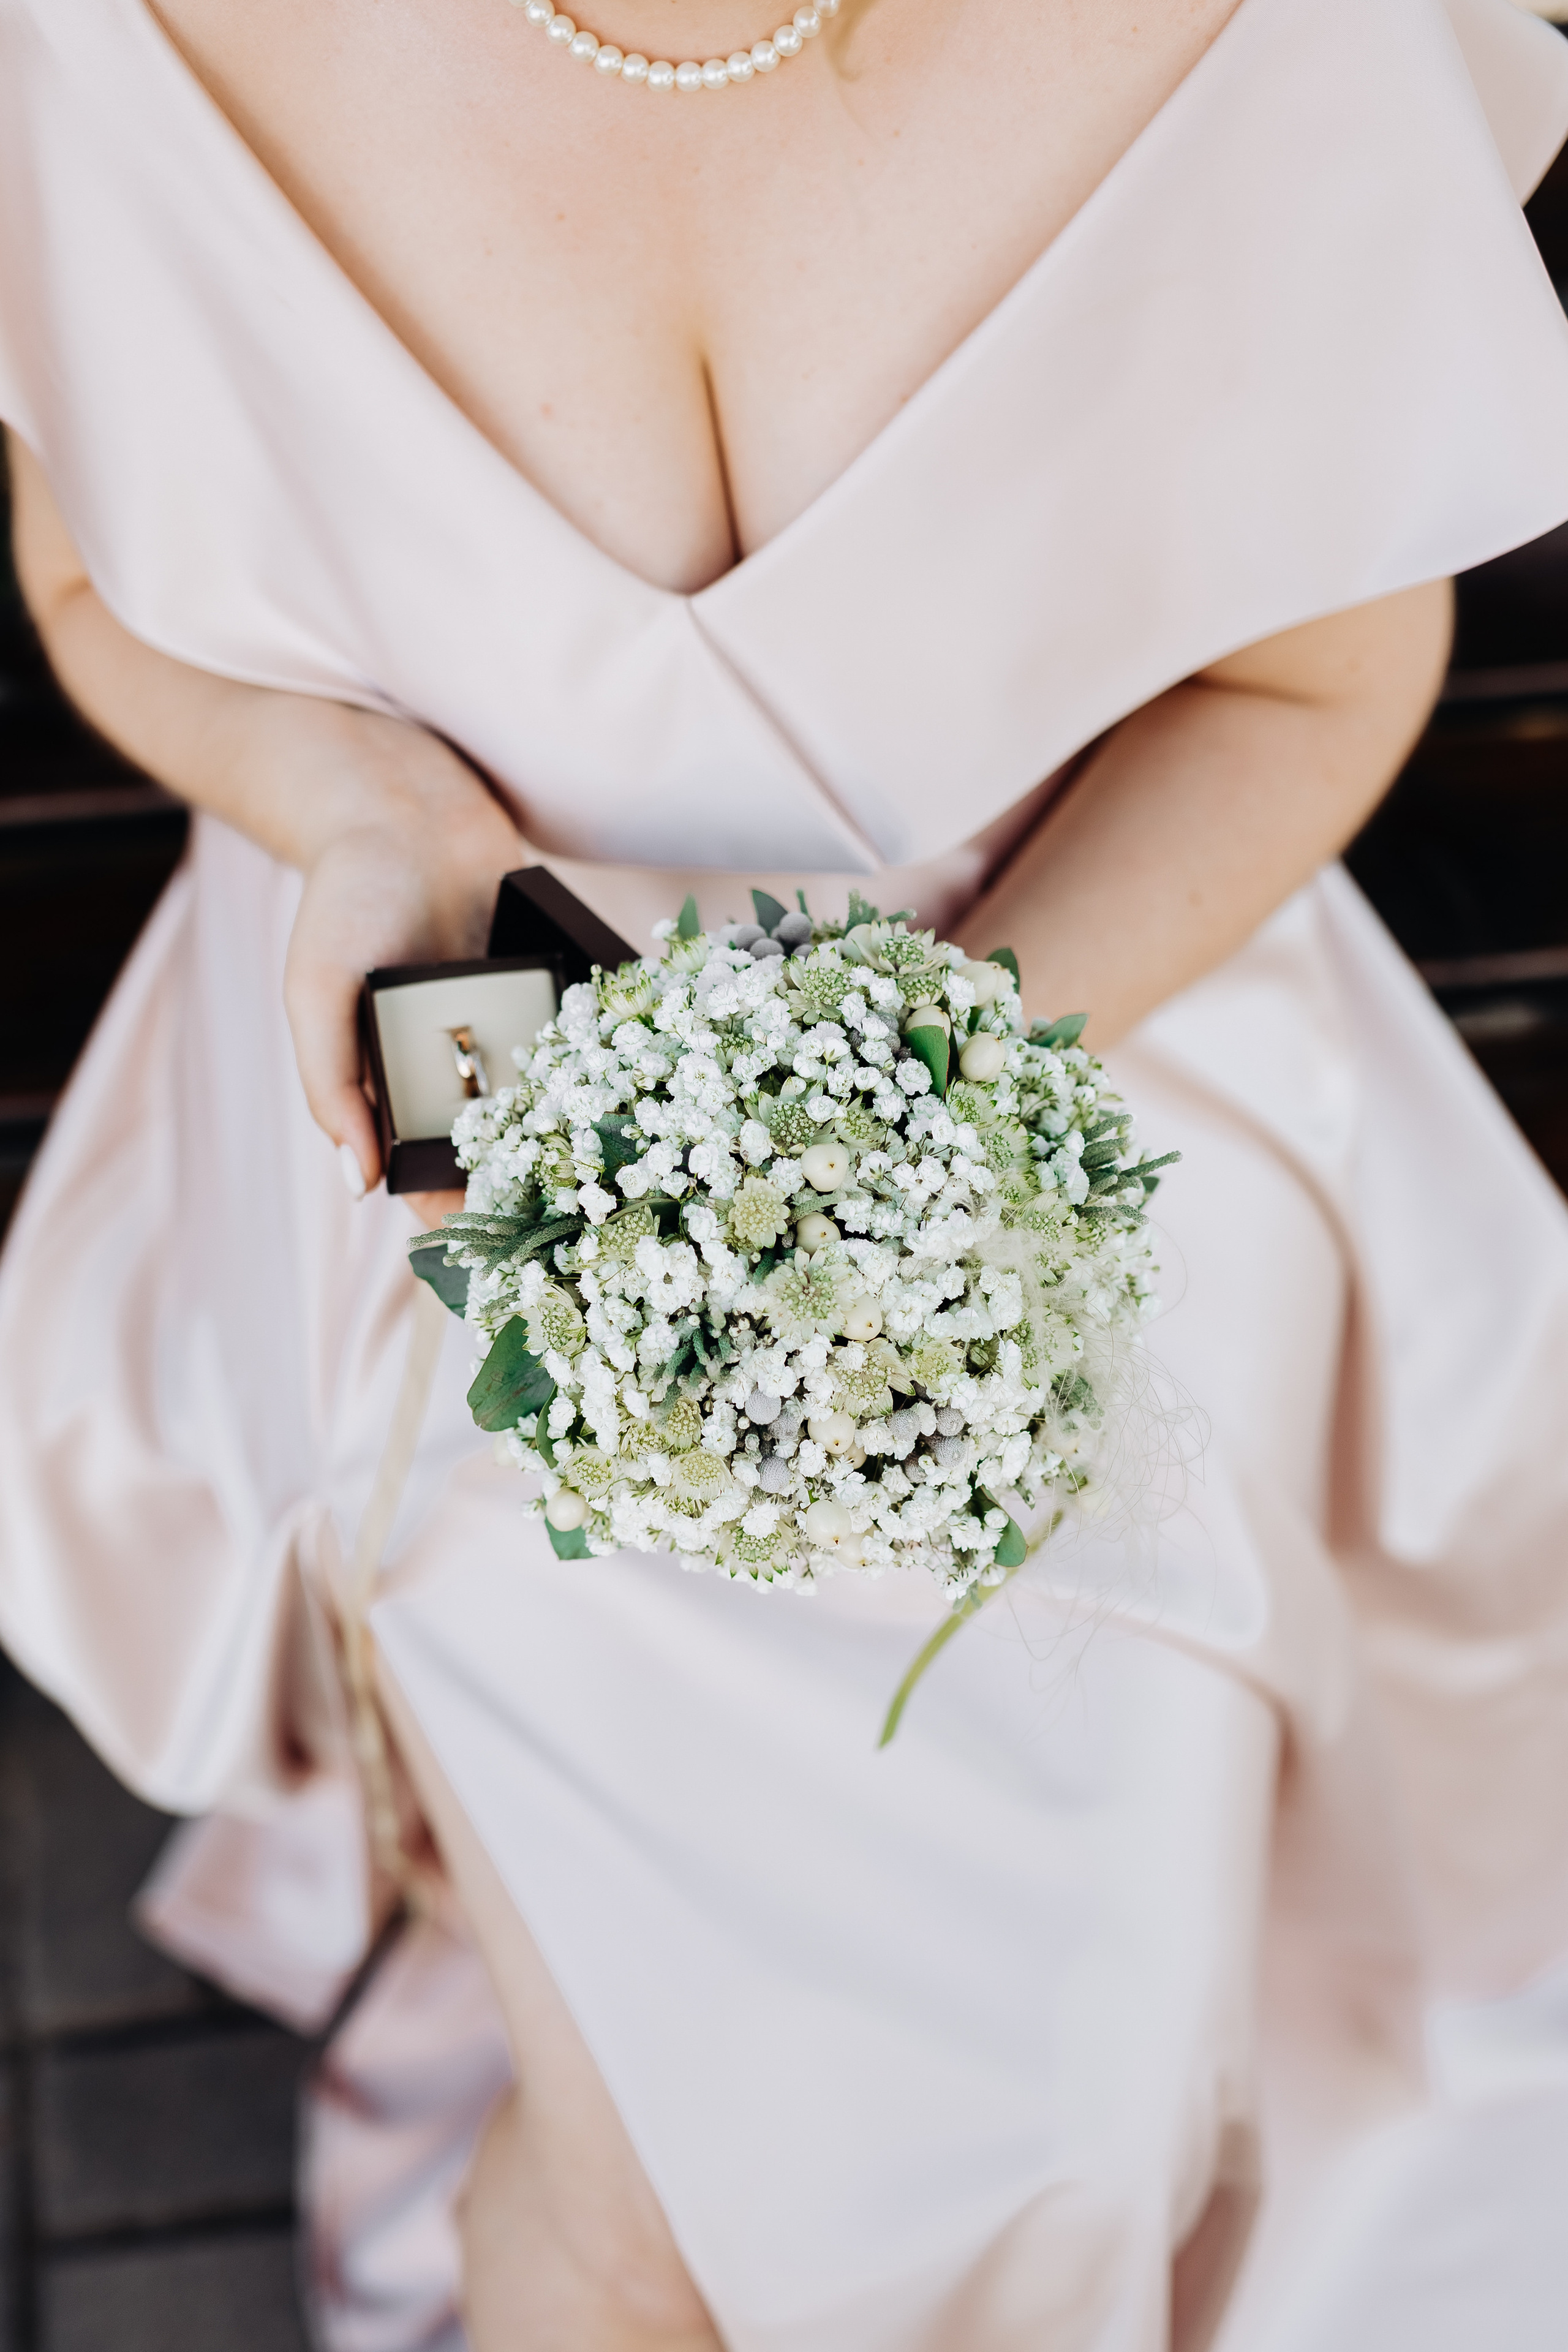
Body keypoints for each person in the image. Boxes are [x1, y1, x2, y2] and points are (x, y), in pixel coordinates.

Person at [4, 0, 1568, 2344]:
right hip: (469, 1127)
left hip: (1090, 1030)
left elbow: (1308, 686)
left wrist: (942, 1077)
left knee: (1060, 2122)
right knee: (649, 2208)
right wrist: (362, 806)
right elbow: (89, 581)